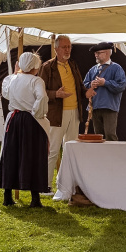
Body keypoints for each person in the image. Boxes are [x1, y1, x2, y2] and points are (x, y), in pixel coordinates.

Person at [0, 52, 49, 207]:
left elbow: (6, 94)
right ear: (35, 66)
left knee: (11, 155)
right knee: (33, 156)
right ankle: (35, 198)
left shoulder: (10, 79)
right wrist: (37, 114)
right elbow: (42, 98)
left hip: (13, 119)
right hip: (30, 121)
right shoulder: (36, 81)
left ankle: (8, 196)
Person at [40, 35, 87, 191]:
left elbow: (79, 87)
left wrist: (86, 93)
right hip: (56, 115)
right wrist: (56, 94)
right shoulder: (47, 67)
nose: (67, 50)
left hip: (75, 113)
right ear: (56, 49)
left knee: (70, 150)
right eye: (64, 47)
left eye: (69, 47)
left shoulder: (73, 65)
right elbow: (40, 92)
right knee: (53, 151)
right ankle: (45, 185)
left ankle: (66, 184)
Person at [83, 42, 126, 142]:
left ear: (107, 53)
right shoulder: (93, 70)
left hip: (109, 107)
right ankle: (100, 157)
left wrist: (105, 83)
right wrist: (91, 84)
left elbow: (121, 86)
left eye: (98, 52)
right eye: (95, 53)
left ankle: (113, 156)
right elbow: (84, 85)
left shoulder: (116, 68)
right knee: (98, 136)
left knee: (110, 134)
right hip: (95, 107)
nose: (96, 55)